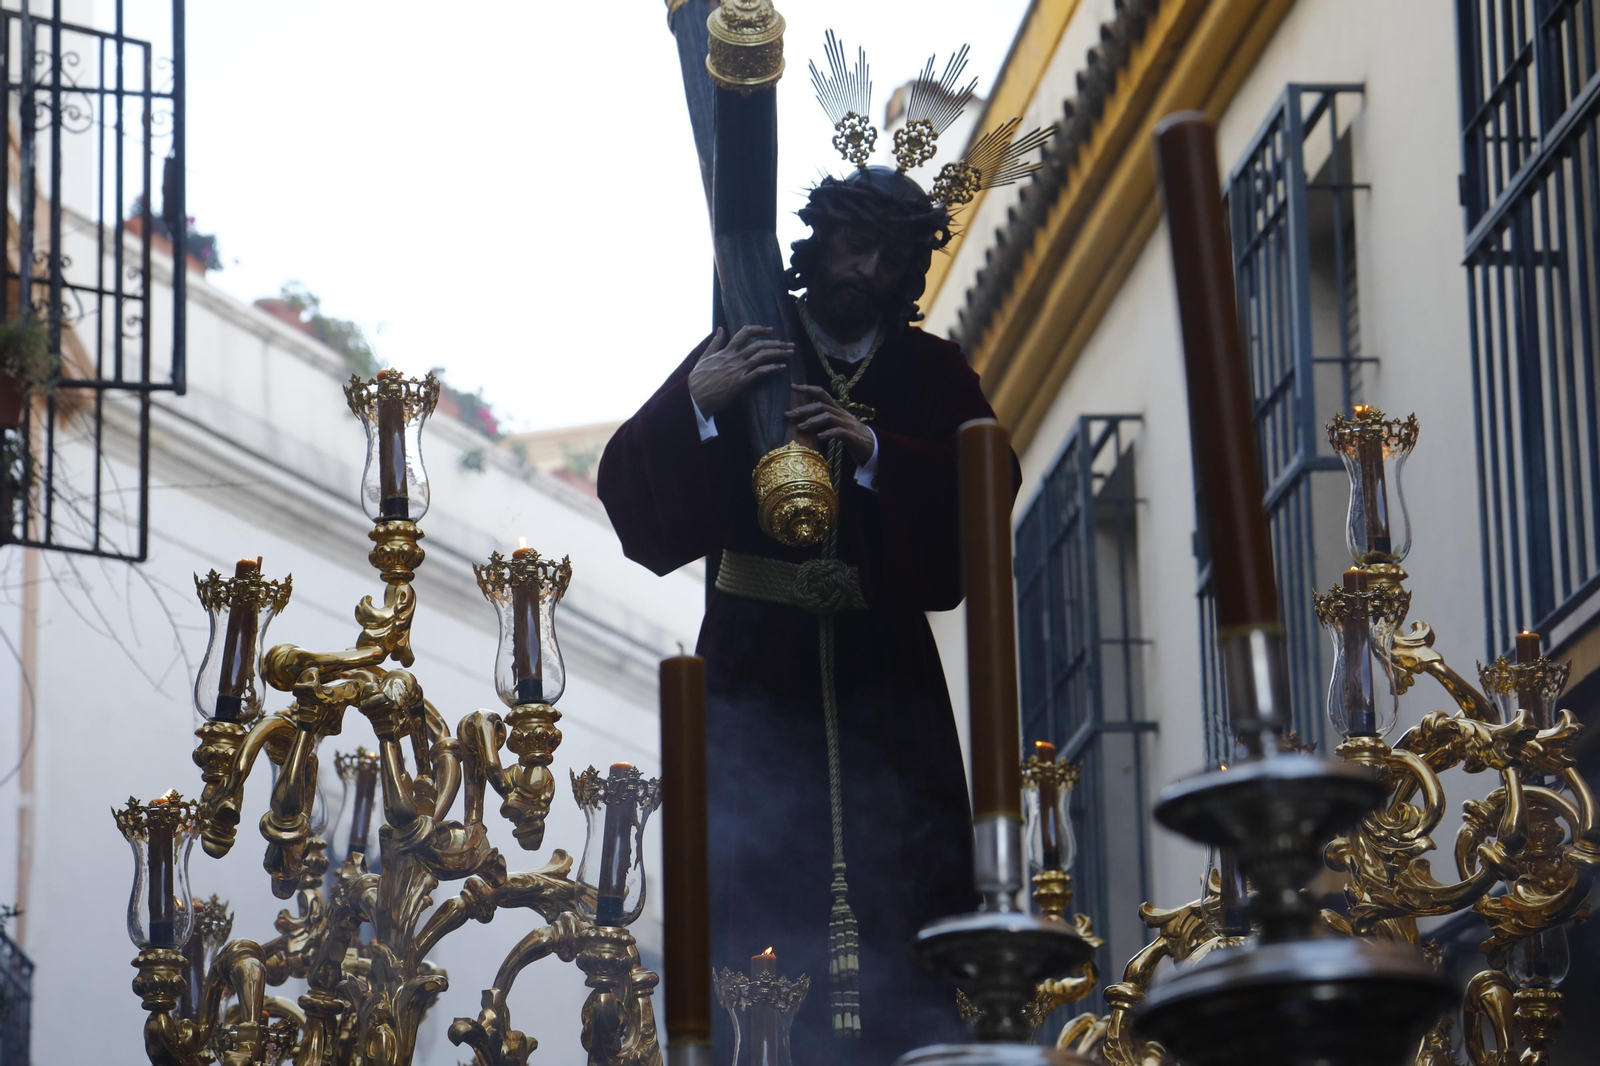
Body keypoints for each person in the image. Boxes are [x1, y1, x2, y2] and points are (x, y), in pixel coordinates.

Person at [598, 162, 1021, 1063]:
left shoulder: (932, 372)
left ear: (910, 274)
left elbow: (982, 504)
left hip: (887, 692)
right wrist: (698, 406)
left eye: (890, 257)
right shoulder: (753, 335)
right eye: (854, 244)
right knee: (750, 889)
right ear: (820, 239)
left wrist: (874, 452)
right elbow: (636, 507)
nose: (865, 270)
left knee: (903, 903)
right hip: (755, 682)